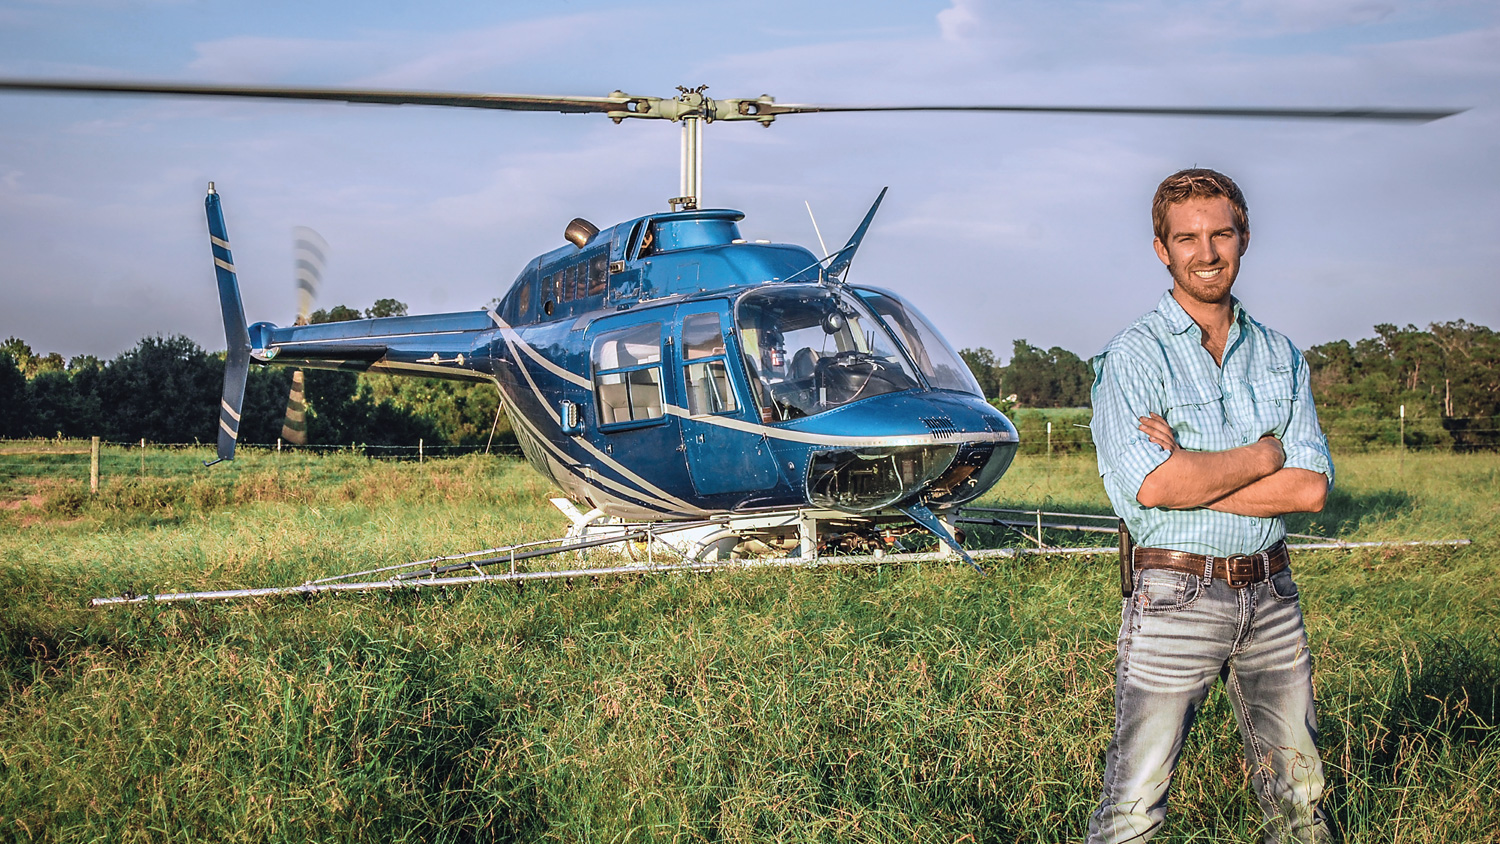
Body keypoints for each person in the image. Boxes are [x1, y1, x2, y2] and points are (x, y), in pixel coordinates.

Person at [1085, 168, 1335, 843]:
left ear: (1244, 237)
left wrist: (1194, 465)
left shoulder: (1280, 354)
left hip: (1273, 591)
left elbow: (1311, 488)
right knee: (1134, 806)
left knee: (1302, 799)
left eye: (1220, 233)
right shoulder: (1133, 356)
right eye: (1186, 238)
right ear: (1162, 251)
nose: (1206, 252)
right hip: (1175, 594)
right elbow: (1155, 488)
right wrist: (1262, 455)